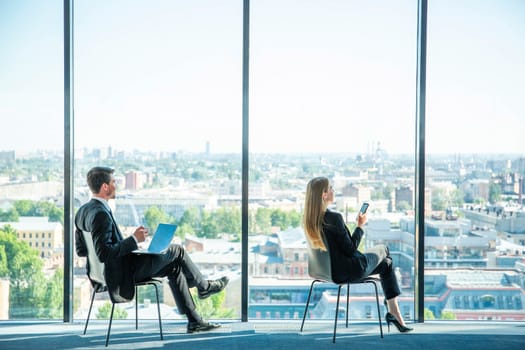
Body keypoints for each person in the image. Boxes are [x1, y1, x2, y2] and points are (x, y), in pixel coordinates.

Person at [75, 166, 229, 333]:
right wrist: (134, 240)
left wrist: (131, 247)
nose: (116, 186)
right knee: (177, 250)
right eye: (114, 182)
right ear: (105, 186)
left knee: (174, 267)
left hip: (107, 272)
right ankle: (204, 287)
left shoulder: (83, 211)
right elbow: (104, 253)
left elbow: (82, 251)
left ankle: (195, 320)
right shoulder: (101, 214)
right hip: (121, 274)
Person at [303, 176, 412, 333]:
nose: (334, 191)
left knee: (386, 264)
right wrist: (360, 226)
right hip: (351, 269)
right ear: (324, 195)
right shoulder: (334, 218)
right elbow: (351, 249)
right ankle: (393, 311)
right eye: (331, 188)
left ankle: (394, 314)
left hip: (327, 272)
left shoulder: (309, 221)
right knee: (384, 250)